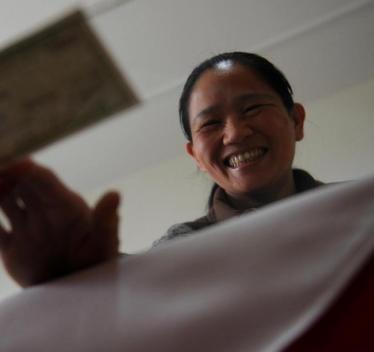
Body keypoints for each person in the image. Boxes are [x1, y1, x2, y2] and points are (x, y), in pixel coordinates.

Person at [0, 51, 322, 287]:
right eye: (210, 123)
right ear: (195, 155)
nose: (235, 133)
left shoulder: (369, 211)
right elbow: (130, 302)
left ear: (296, 121)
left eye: (252, 108)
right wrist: (75, 279)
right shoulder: (177, 251)